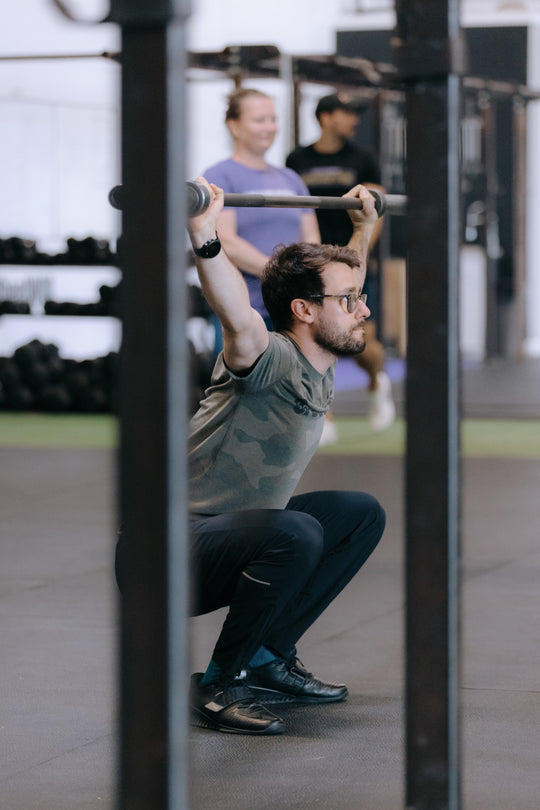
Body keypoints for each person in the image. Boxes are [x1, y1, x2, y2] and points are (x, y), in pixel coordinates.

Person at [185, 177, 386, 735]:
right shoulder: (266, 357)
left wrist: (363, 228)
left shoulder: (321, 352)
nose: (361, 309)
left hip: (235, 537)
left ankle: (269, 658)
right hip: (171, 551)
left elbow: (343, 290)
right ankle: (219, 683)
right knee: (295, 530)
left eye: (356, 298)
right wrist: (205, 234)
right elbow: (236, 315)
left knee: (358, 512)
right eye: (350, 302)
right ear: (302, 310)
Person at [286, 92, 396, 433]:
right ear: (325, 117)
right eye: (347, 113)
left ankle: (377, 380)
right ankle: (324, 415)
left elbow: (374, 214)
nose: (354, 120)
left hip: (352, 261)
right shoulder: (297, 159)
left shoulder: (363, 159)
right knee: (317, 338)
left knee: (362, 345)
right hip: (314, 264)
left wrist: (353, 258)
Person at [203, 87, 320, 334]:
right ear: (234, 126)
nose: (269, 127)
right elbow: (226, 242)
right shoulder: (219, 176)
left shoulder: (292, 179)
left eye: (273, 119)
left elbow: (311, 241)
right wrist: (281, 276)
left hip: (293, 309)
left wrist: (301, 280)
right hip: (243, 309)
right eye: (259, 120)